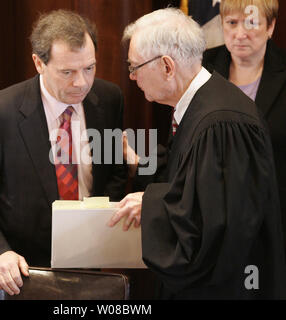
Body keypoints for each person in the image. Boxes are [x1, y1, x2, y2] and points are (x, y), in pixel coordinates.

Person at [0, 9, 126, 299]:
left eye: (89, 68)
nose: (81, 82)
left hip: (87, 270)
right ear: (38, 63)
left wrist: (97, 225)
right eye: (67, 72)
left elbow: (115, 170)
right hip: (17, 273)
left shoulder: (109, 99)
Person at [109, 8, 286, 299]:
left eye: (135, 67)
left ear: (167, 66)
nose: (132, 77)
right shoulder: (198, 109)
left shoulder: (221, 123)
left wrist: (151, 205)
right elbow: (195, 188)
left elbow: (217, 228)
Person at [202, 0, 286, 256]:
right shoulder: (202, 68)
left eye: (251, 22)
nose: (240, 34)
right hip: (212, 222)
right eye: (232, 23)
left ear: (271, 26)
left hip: (275, 220)